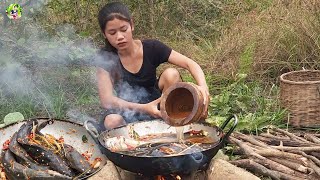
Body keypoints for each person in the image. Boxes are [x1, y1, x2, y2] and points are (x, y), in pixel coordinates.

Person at [95, 1, 209, 132]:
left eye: (123, 29)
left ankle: (172, 121)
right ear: (104, 34)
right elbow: (107, 100)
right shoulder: (105, 57)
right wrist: (144, 107)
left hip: (157, 105)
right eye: (112, 33)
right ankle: (131, 145)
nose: (119, 37)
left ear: (132, 25)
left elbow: (190, 64)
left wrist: (203, 88)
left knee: (171, 74)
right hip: (127, 109)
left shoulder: (152, 47)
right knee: (112, 121)